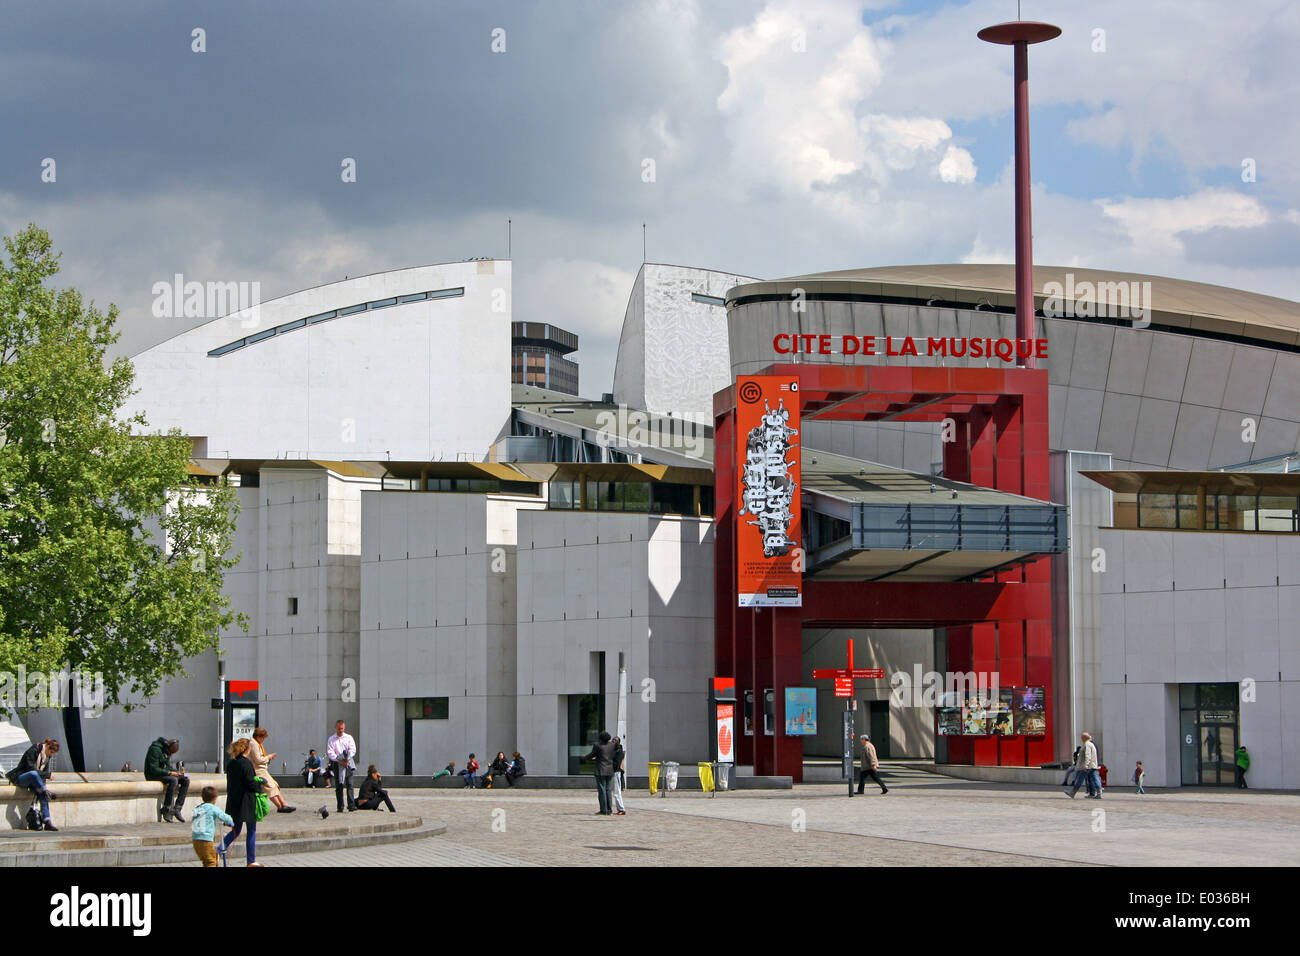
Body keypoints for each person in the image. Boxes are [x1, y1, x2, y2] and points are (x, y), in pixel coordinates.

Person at [220, 738, 265, 866]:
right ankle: (251, 860)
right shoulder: (246, 764)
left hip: (234, 800)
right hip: (247, 801)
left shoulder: (232, 763)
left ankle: (218, 850)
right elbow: (250, 782)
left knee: (236, 829)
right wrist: (260, 783)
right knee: (251, 830)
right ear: (247, 749)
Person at [6, 737, 60, 831]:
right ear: (47, 746)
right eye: (51, 752)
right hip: (21, 777)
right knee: (33, 774)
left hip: (34, 782)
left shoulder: (47, 757)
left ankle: (47, 821)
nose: (51, 755)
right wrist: (47, 775)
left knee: (43, 795)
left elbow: (43, 775)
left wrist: (42, 786)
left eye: (52, 754)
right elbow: (30, 768)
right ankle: (45, 790)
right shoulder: (34, 749)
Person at [144, 737, 190, 823]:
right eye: (170, 753)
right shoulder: (155, 750)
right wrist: (170, 773)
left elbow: (168, 766)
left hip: (163, 773)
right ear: (168, 747)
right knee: (173, 780)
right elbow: (154, 769)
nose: (170, 755)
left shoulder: (166, 751)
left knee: (185, 780)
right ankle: (166, 808)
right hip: (152, 775)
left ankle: (177, 808)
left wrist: (178, 772)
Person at [248, 728, 295, 812]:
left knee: (274, 785)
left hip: (262, 769)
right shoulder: (253, 744)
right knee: (270, 787)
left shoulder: (256, 743)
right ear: (259, 736)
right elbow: (258, 760)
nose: (263, 740)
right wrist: (268, 757)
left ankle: (283, 804)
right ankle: (280, 806)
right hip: (258, 770)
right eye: (263, 738)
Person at [191, 785, 233, 867]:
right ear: (215, 799)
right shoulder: (212, 808)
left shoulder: (198, 808)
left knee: (208, 859)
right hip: (206, 840)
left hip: (195, 840)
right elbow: (224, 817)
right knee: (211, 862)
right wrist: (231, 822)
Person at [326, 719, 358, 812]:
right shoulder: (331, 739)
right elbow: (330, 752)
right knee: (339, 785)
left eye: (342, 728)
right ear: (336, 728)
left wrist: (347, 758)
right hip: (337, 763)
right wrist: (339, 760)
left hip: (348, 762)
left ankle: (351, 805)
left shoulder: (348, 738)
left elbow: (353, 749)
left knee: (350, 784)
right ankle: (340, 806)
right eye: (339, 728)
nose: (341, 730)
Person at [585, 732, 617, 815]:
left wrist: (584, 757)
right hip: (610, 770)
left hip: (600, 770)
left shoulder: (597, 745)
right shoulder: (612, 745)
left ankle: (603, 810)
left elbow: (592, 755)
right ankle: (609, 810)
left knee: (602, 790)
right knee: (608, 790)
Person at [1069, 732, 1101, 798]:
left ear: (1084, 738)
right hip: (1093, 765)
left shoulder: (1087, 744)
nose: (1081, 738)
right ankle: (1098, 793)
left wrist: (1086, 765)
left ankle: (1073, 792)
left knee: (1080, 779)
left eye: (1082, 737)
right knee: (1095, 779)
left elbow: (1088, 755)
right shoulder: (1091, 744)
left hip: (1088, 766)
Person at [610, 737, 627, 815]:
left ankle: (621, 809)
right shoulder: (612, 750)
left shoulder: (619, 751)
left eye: (615, 740)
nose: (613, 742)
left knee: (617, 792)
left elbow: (617, 763)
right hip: (612, 772)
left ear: (618, 742)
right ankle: (618, 808)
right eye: (613, 740)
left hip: (616, 772)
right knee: (613, 791)